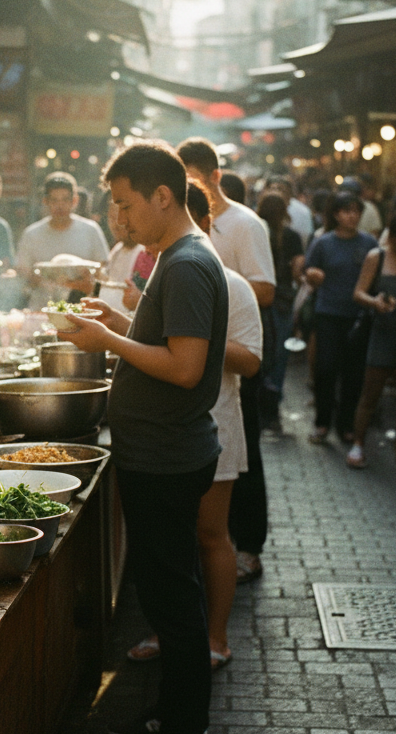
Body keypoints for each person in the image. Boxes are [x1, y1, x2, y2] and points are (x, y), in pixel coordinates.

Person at [59, 141, 227, 734]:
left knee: (175, 606)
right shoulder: (174, 257)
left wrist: (107, 338)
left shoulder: (185, 263)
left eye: (126, 205)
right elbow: (169, 342)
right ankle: (172, 715)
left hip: (167, 455)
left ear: (163, 195)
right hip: (161, 450)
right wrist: (121, 324)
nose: (120, 219)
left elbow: (184, 367)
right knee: (164, 598)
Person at [126, 181, 260, 679]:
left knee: (210, 535)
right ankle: (170, 633)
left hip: (216, 423)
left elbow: (252, 361)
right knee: (172, 548)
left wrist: (198, 338)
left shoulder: (229, 283)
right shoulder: (166, 273)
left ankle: (215, 638)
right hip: (173, 431)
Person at [178, 136, 274, 585]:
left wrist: (211, 297)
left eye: (193, 178)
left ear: (215, 176)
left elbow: (266, 290)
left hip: (238, 344)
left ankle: (250, 546)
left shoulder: (245, 224)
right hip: (207, 364)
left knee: (242, 454)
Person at [346, 211, 396, 469]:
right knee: (370, 394)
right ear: (394, 236)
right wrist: (375, 302)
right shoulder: (376, 257)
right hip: (382, 335)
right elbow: (358, 293)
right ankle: (358, 444)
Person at [304, 191, 378, 444]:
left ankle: (346, 424)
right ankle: (322, 422)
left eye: (356, 211)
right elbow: (308, 270)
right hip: (328, 314)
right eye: (347, 211)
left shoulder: (369, 244)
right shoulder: (323, 243)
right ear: (336, 214)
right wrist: (313, 275)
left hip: (358, 316)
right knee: (325, 369)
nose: (352, 216)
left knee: (353, 373)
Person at [15, 171, 111, 309]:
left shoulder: (91, 230)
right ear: (45, 201)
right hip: (42, 309)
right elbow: (22, 274)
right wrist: (40, 280)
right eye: (54, 200)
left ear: (75, 200)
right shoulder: (31, 234)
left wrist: (87, 281)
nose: (60, 206)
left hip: (82, 309)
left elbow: (104, 269)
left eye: (65, 200)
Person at [256, 192, 305, 432]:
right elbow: (298, 271)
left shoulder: (256, 233)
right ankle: (272, 409)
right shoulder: (292, 237)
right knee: (278, 357)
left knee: (259, 353)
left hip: (258, 300)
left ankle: (258, 406)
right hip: (283, 301)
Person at [100, 197, 145, 313]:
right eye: (111, 218)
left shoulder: (145, 253)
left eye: (119, 217)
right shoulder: (117, 249)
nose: (116, 224)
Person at [264, 174, 313, 245]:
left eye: (280, 190)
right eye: (272, 189)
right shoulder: (259, 213)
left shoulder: (302, 211)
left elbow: (305, 238)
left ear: (289, 194)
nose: (276, 194)